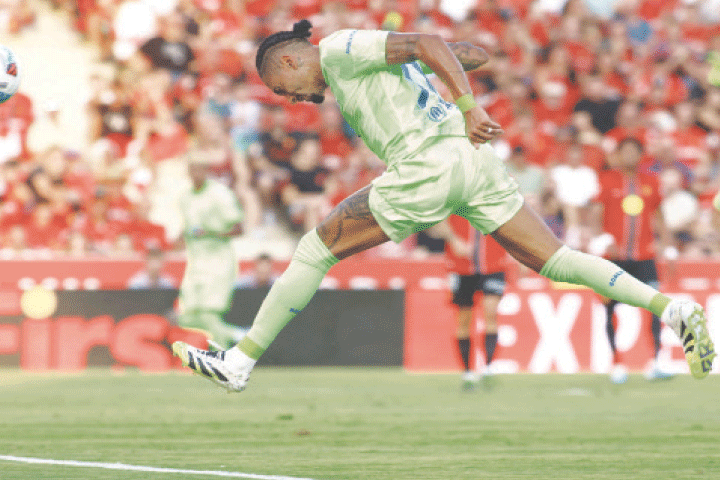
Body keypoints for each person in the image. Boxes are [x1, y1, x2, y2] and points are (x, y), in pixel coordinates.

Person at [173, 20, 715, 392]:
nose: (293, 98)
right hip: (471, 161)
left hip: (426, 163)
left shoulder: (338, 48)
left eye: (283, 87)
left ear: (290, 59)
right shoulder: (364, 63)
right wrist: (451, 62)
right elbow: (461, 52)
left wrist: (468, 102)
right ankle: (672, 309)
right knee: (555, 259)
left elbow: (428, 41)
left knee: (315, 251)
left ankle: (239, 361)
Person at [594, 138, 672, 383]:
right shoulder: (607, 180)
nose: (629, 156)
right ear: (617, 154)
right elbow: (596, 213)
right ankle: (616, 363)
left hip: (644, 257)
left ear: (640, 155)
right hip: (615, 258)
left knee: (656, 306)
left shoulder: (651, 181)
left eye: (633, 151)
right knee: (610, 308)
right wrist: (602, 239)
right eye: (625, 151)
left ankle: (656, 362)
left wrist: (668, 246)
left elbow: (660, 215)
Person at [177, 154, 247, 349]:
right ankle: (236, 334)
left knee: (209, 314)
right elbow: (187, 228)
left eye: (200, 169)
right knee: (186, 316)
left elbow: (239, 229)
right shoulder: (185, 197)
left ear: (207, 171)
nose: (196, 173)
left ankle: (222, 357)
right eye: (192, 169)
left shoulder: (220, 194)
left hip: (218, 261)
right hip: (195, 263)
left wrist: (209, 233)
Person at [431, 215, 507, 390]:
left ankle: (488, 368)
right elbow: (437, 220)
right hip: (460, 265)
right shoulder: (453, 201)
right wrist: (453, 240)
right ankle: (467, 372)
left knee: (490, 312)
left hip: (493, 263)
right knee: (464, 319)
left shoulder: (496, 200)